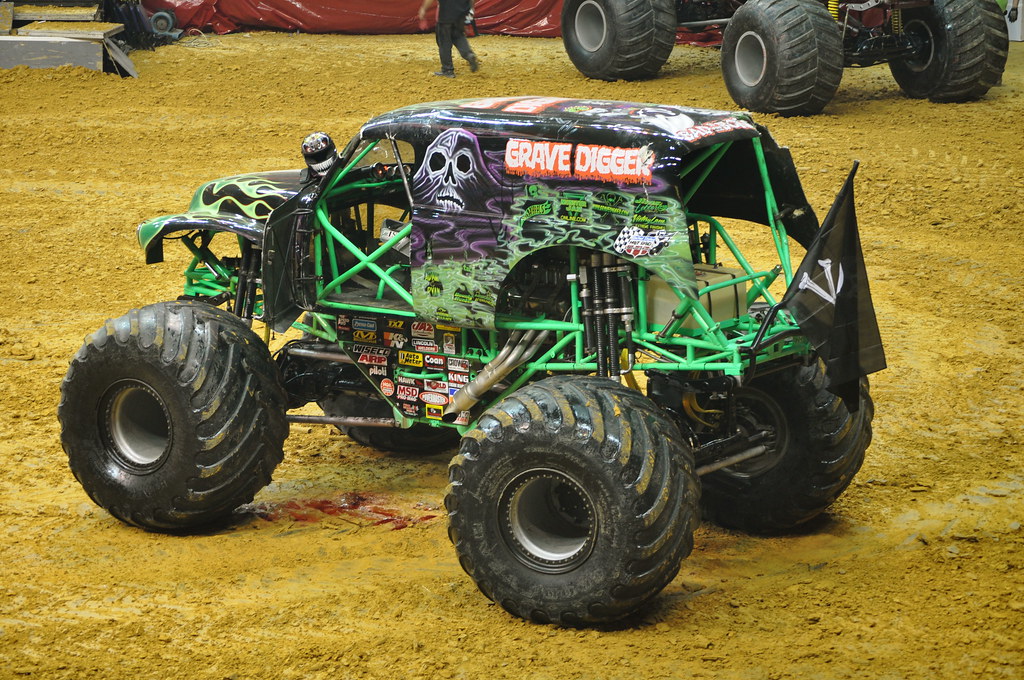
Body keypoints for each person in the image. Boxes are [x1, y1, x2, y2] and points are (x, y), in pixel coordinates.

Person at [418, 0, 479, 78]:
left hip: (445, 16)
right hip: (460, 15)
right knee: (459, 36)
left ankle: (447, 70)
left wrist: (423, 9)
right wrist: (471, 9)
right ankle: (468, 54)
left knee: (444, 43)